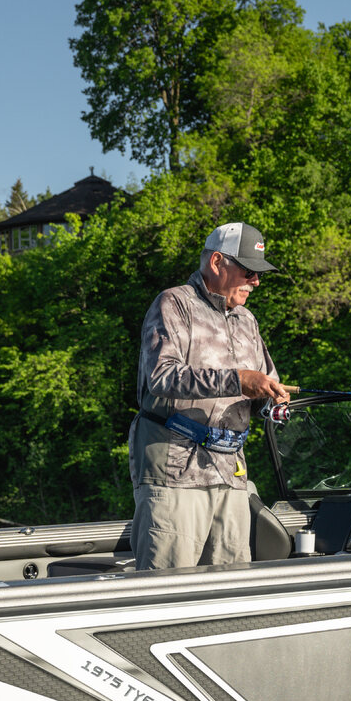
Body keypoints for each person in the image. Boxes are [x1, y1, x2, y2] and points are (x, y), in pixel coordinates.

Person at [129, 221, 292, 569]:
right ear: (217, 262)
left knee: (232, 590)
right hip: (175, 475)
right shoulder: (174, 304)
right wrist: (238, 381)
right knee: (167, 594)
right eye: (249, 272)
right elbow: (161, 376)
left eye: (258, 274)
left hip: (232, 476)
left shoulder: (247, 320)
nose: (256, 282)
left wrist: (272, 400)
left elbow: (264, 381)